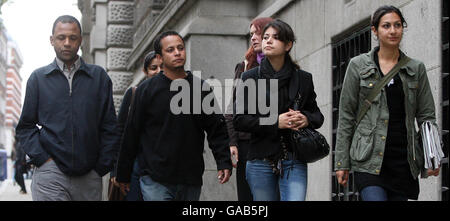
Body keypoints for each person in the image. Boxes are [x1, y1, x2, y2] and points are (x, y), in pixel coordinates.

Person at [334, 5, 440, 201]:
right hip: (368, 158)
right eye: (386, 26)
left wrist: (432, 156)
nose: (393, 31)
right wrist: (341, 162)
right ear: (375, 30)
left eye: (398, 25)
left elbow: (426, 117)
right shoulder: (358, 65)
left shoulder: (416, 68)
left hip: (403, 160)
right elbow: (346, 115)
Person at [116, 31, 232, 201]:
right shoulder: (146, 90)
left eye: (180, 48)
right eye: (170, 50)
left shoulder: (201, 89)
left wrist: (223, 161)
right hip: (155, 178)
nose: (177, 53)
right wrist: (123, 173)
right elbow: (131, 133)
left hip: (190, 177)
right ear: (160, 57)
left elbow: (216, 129)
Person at [15, 15, 120, 201]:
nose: (66, 43)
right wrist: (43, 160)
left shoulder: (98, 78)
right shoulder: (38, 79)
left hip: (89, 174)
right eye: (61, 37)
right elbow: (25, 127)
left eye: (72, 38)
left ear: (80, 40)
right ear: (51, 40)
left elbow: (110, 126)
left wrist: (101, 167)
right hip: (50, 173)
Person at [233, 19, 324, 201]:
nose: (268, 41)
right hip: (259, 159)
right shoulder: (249, 77)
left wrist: (305, 118)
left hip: (294, 158)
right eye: (266, 37)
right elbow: (239, 120)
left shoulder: (303, 79)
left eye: (275, 38)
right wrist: (276, 122)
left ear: (288, 45)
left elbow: (317, 116)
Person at [225, 17, 273, 201]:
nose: (253, 37)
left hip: (274, 141)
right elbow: (232, 109)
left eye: (257, 33)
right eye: (251, 33)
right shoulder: (244, 67)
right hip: (247, 143)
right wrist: (232, 142)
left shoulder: (283, 68)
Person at [110, 51, 163, 201]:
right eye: (154, 68)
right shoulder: (134, 94)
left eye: (162, 67)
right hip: (135, 166)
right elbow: (119, 132)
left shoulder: (174, 97)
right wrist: (115, 171)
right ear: (145, 72)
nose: (158, 71)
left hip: (161, 168)